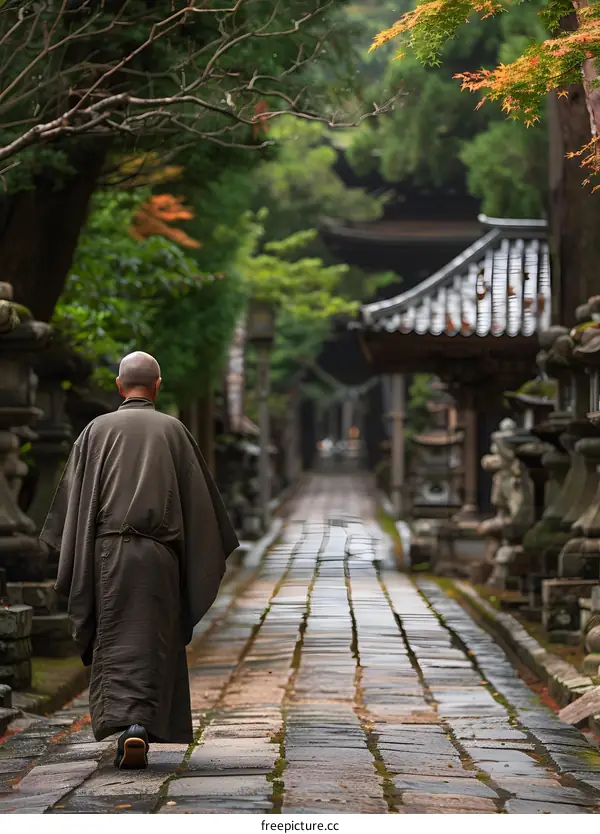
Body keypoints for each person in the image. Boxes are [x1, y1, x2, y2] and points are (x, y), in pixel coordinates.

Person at [40, 351, 239, 770]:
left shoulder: (95, 431)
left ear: (118, 385)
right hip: (160, 556)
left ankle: (126, 727)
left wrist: (76, 556)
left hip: (106, 555)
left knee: (114, 641)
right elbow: (201, 509)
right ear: (158, 386)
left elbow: (73, 507)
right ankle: (141, 726)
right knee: (153, 641)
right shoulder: (174, 431)